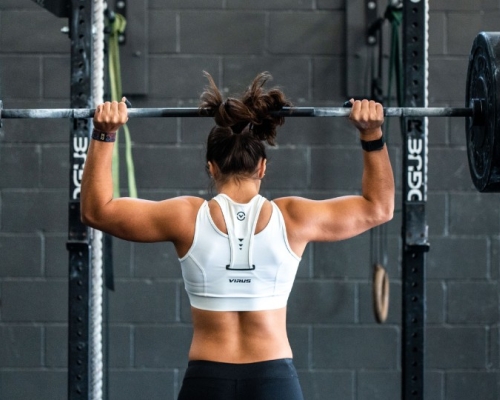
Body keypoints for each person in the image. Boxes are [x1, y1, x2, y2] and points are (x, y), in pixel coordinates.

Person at [81, 71, 394, 400]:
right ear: (262, 167)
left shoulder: (185, 217)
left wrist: (105, 135)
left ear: (211, 167)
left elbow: (96, 211)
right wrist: (372, 134)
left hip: (207, 380)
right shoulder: (294, 218)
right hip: (274, 380)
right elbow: (379, 208)